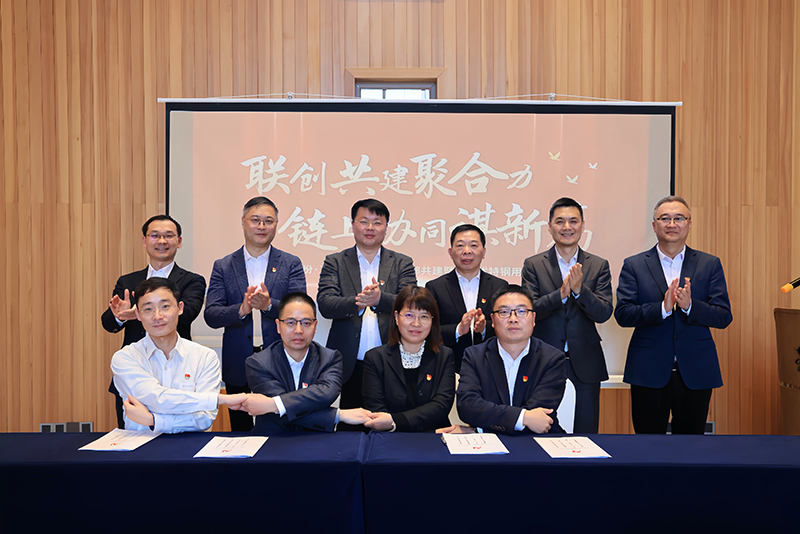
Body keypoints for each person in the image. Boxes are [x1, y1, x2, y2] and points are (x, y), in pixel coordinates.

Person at [615, 195, 732, 434]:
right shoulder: (634, 265)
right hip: (648, 370)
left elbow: (723, 316)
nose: (672, 224)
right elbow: (623, 314)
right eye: (664, 218)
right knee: (648, 444)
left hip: (696, 369)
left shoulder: (709, 264)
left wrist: (690, 306)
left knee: (690, 445)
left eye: (679, 218)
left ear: (689, 224)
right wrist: (662, 308)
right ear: (654, 225)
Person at [204, 196, 307, 431]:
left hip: (280, 356)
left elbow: (300, 308)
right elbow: (211, 315)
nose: (262, 226)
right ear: (243, 222)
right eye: (255, 220)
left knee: (279, 425)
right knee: (240, 428)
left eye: (268, 221)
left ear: (276, 225)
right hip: (238, 357)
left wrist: (269, 306)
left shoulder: (290, 263)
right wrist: (241, 310)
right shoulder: (224, 265)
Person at [101, 214, 206, 428]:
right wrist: (120, 316)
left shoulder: (192, 280)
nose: (161, 241)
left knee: (179, 431)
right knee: (132, 434)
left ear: (179, 241)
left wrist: (140, 313)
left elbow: (188, 314)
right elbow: (108, 324)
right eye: (155, 235)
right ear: (144, 240)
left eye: (169, 236)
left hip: (177, 371)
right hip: (134, 371)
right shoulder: (128, 281)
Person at [521, 197, 613, 434]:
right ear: (549, 226)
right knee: (542, 431)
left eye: (573, 221)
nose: (567, 227)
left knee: (585, 432)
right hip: (542, 361)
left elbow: (603, 312)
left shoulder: (598, 265)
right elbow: (529, 311)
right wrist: (560, 295)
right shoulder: (533, 264)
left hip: (585, 363)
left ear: (582, 226)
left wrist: (581, 291)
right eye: (560, 221)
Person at [317, 199, 417, 415]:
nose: (370, 228)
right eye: (364, 221)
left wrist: (380, 300)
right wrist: (359, 302)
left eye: (377, 223)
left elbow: (411, 304)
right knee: (351, 423)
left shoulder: (402, 263)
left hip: (393, 359)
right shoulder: (335, 262)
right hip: (349, 362)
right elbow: (325, 303)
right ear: (353, 225)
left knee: (391, 422)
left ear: (386, 228)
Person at [111, 278, 246, 433]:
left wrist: (153, 420)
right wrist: (216, 400)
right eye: (148, 309)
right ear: (138, 314)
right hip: (141, 444)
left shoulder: (205, 357)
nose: (157, 316)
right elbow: (156, 398)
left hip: (192, 445)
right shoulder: (125, 358)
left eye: (165, 306)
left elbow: (204, 418)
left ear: (180, 308)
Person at [239, 293, 373, 434]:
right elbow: (281, 415)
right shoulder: (258, 363)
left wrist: (274, 404)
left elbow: (326, 394)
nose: (298, 330)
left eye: (306, 323)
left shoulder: (330, 359)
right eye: (290, 322)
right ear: (278, 326)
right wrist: (338, 415)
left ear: (315, 326)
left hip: (315, 439)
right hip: (272, 438)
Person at [446, 284, 566, 435]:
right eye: (504, 312)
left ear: (533, 318)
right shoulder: (474, 355)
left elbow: (540, 417)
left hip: (538, 440)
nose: (513, 319)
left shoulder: (552, 359)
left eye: (521, 311)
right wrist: (524, 418)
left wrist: (482, 426)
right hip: (490, 442)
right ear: (493, 320)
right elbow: (467, 406)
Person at [362, 285, 456, 432]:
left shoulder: (445, 356)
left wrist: (396, 421)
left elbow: (441, 405)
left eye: (424, 316)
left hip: (434, 435)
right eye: (409, 315)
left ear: (432, 321)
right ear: (396, 318)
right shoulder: (375, 358)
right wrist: (394, 425)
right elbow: (376, 409)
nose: (416, 323)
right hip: (389, 437)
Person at [426, 224, 508, 373]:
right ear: (450, 252)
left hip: (491, 367)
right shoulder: (435, 287)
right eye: (460, 246)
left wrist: (485, 328)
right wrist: (458, 329)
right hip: (449, 368)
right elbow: (428, 329)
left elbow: (508, 325)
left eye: (473, 245)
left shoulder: (499, 286)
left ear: (483, 252)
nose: (467, 251)